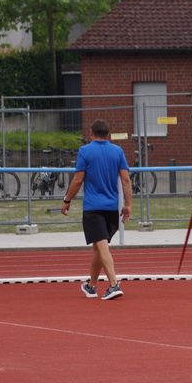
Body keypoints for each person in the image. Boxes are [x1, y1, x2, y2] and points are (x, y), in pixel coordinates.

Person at [61, 119, 131, 299]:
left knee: (102, 247)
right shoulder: (118, 151)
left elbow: (77, 180)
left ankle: (114, 284)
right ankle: (91, 286)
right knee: (98, 248)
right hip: (111, 208)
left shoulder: (85, 151)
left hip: (93, 207)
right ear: (107, 134)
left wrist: (67, 200)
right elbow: (125, 180)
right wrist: (128, 205)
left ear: (91, 133)